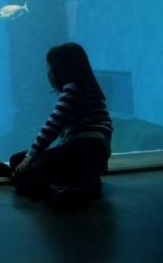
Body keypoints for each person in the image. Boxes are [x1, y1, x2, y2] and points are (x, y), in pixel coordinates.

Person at [10, 43, 113, 211]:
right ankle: (85, 183)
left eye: (49, 68)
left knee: (27, 170)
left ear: (61, 69)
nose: (48, 73)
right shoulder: (89, 87)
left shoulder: (73, 89)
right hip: (94, 152)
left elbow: (52, 127)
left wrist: (30, 156)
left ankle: (66, 191)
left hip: (85, 149)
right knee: (17, 161)